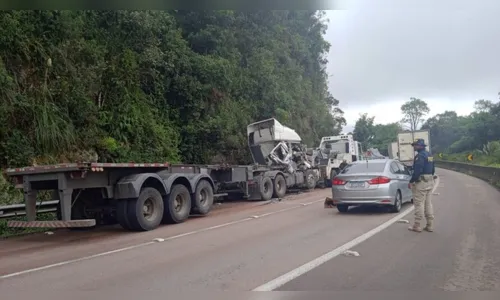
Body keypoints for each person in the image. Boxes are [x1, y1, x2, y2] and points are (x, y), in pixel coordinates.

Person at [408, 138, 435, 233]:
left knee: (419, 203)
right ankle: (430, 225)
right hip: (430, 181)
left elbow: (417, 171)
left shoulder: (419, 156)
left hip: (421, 182)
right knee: (428, 203)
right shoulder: (429, 155)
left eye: (415, 145)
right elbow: (432, 169)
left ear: (420, 146)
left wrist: (412, 181)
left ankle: (417, 225)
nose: (414, 147)